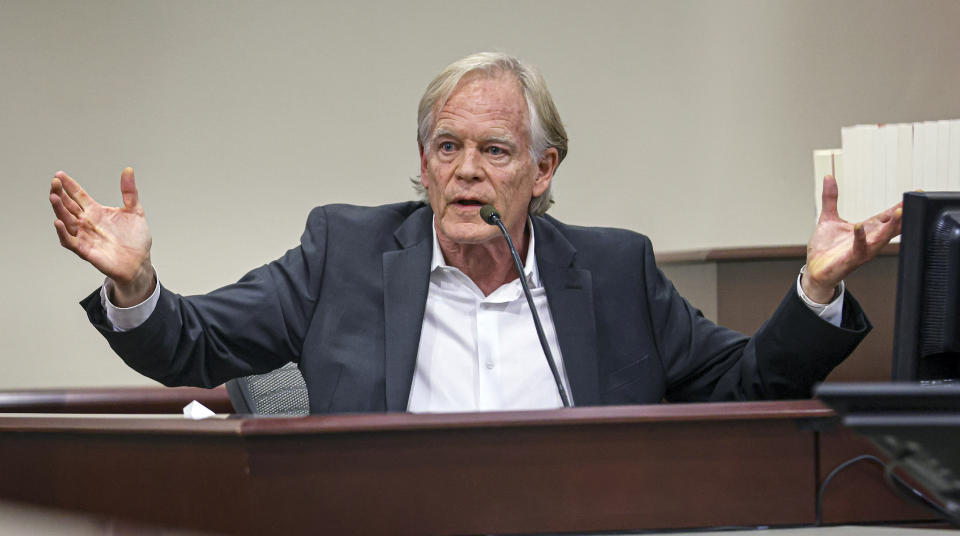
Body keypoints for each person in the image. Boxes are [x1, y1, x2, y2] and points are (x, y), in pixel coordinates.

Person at [48, 53, 901, 413]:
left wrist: (817, 288)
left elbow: (745, 385)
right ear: (420, 164)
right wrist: (134, 284)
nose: (464, 171)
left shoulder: (612, 269)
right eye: (445, 148)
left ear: (545, 168)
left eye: (494, 150)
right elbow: (191, 347)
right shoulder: (342, 252)